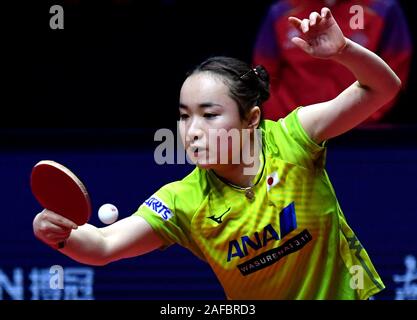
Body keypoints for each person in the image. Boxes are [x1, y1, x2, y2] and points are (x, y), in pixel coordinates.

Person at [33, 7, 401, 299]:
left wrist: (343, 50)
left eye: (209, 115)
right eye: (183, 116)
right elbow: (102, 244)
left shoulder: (294, 139)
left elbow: (381, 88)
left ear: (251, 118)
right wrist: (60, 233)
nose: (192, 131)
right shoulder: (185, 201)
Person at [253, 0, 412, 123]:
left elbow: (395, 74)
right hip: (293, 132)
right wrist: (286, 123)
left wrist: (359, 117)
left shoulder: (383, 9)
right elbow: (264, 75)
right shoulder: (281, 11)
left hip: (362, 133)